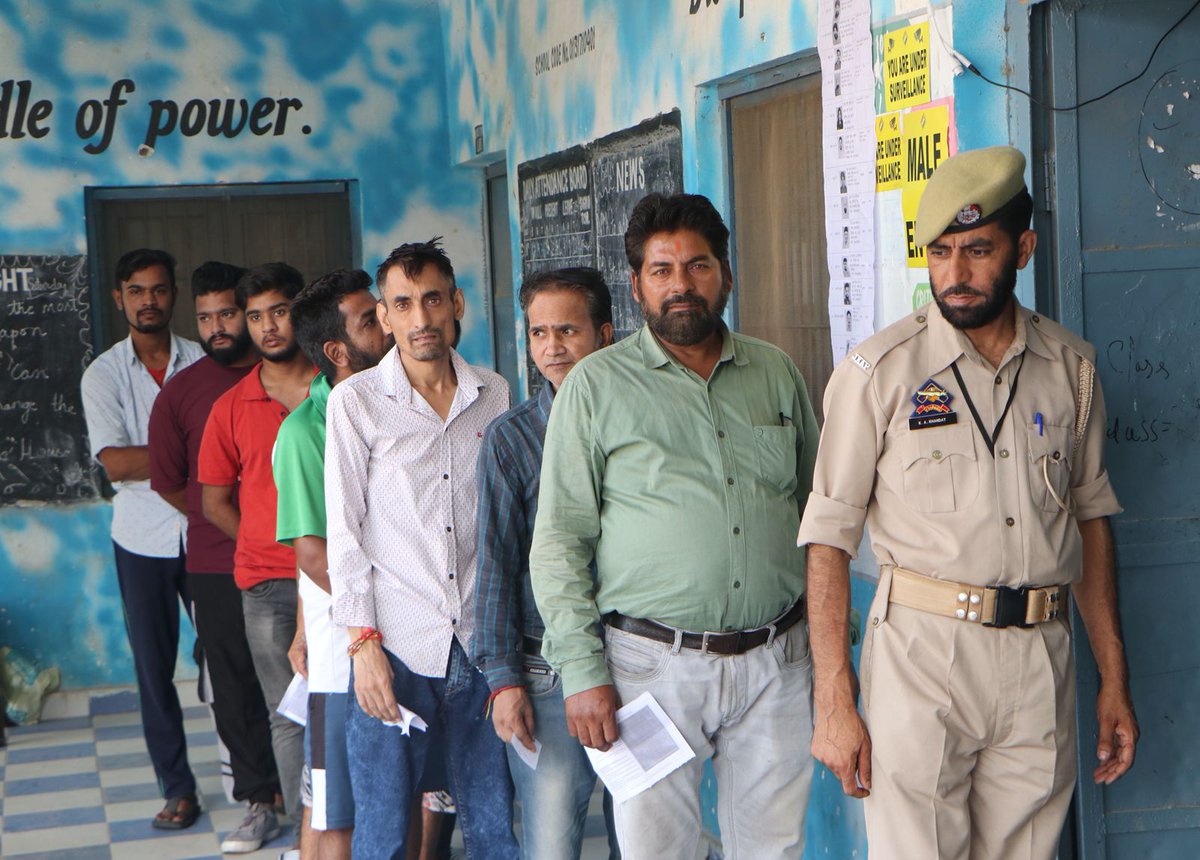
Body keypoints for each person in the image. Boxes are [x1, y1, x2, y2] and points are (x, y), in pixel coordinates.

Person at [799, 146, 1139, 860]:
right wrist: (835, 697)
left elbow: (1089, 520)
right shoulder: (878, 375)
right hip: (922, 658)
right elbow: (827, 537)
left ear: (1024, 248)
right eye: (940, 252)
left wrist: (1113, 677)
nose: (953, 274)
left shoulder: (1071, 371)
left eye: (978, 250)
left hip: (1040, 655)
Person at [529, 193, 820, 858]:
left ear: (726, 273)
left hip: (778, 662)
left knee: (774, 851)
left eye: (697, 266)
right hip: (650, 669)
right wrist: (582, 671)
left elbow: (816, 520)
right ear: (636, 286)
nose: (681, 285)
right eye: (661, 271)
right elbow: (560, 541)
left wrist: (831, 654)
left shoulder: (775, 373)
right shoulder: (595, 387)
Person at [325, 239, 517, 859]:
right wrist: (363, 646)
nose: (420, 319)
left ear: (456, 303)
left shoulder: (495, 394)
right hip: (398, 647)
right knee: (382, 834)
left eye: (432, 299)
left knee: (491, 824)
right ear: (383, 317)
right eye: (401, 304)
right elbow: (345, 535)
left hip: (481, 647)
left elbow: (506, 523)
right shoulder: (354, 403)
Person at [470, 267, 620, 860]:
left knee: (646, 840)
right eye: (538, 334)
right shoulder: (512, 438)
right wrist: (503, 680)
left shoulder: (637, 422)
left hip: (642, 659)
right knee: (553, 843)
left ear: (605, 334)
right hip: (547, 669)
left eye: (568, 331)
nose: (551, 348)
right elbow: (496, 564)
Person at [148, 261, 283, 845]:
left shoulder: (291, 377)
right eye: (205, 318)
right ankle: (259, 800)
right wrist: (229, 525)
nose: (218, 326)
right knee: (234, 685)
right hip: (214, 562)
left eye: (229, 313)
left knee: (300, 679)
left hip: (299, 560)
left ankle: (314, 795)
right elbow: (170, 481)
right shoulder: (182, 392)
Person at [80, 248, 204, 831]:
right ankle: (178, 789)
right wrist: (186, 456)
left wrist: (155, 459)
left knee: (229, 660)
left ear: (172, 293)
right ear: (119, 297)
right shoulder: (102, 374)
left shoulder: (202, 361)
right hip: (140, 541)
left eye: (157, 289)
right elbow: (116, 464)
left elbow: (221, 452)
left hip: (207, 531)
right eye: (136, 291)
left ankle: (258, 784)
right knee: (154, 672)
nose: (148, 300)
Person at [273, 268, 392, 859]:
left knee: (406, 799)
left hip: (393, 635)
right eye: (372, 319)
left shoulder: (395, 403)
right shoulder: (304, 431)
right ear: (337, 351)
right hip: (347, 645)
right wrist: (381, 619)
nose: (390, 323)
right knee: (336, 810)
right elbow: (313, 554)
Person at [199, 262, 316, 852]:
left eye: (279, 311)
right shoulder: (232, 405)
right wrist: (268, 543)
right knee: (287, 712)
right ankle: (306, 833)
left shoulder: (336, 386)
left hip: (342, 580)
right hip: (268, 588)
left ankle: (359, 824)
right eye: (255, 316)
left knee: (356, 704)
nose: (269, 327)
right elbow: (215, 500)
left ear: (300, 309)